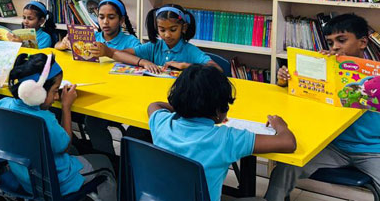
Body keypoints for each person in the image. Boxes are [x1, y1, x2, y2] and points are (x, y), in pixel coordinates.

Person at [265, 13, 380, 200]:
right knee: (284, 168)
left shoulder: (375, 74)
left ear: (363, 42)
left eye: (342, 40)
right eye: (330, 43)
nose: (335, 47)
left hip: (374, 150)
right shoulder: (325, 68)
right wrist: (285, 80)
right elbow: (300, 99)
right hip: (334, 146)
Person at [149, 64, 296, 201]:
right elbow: (288, 143)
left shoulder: (162, 124)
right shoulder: (226, 139)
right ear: (219, 111)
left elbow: (154, 105)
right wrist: (280, 126)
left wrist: (185, 107)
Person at [0, 53, 116, 200]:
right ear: (37, 92)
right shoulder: (44, 119)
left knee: (76, 150)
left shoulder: (3, 104)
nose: (57, 97)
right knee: (105, 162)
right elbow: (65, 147)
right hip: (55, 182)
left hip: (23, 177)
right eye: (54, 91)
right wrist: (66, 107)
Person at [55, 0, 140, 157]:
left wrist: (109, 52)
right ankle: (78, 151)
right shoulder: (92, 37)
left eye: (111, 17)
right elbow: (59, 48)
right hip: (92, 90)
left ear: (121, 20)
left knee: (92, 122)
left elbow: (138, 63)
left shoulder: (131, 42)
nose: (105, 22)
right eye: (101, 17)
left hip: (117, 95)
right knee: (57, 107)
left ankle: (108, 160)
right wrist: (63, 44)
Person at [90, 4, 221, 73]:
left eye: (173, 30)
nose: (167, 35)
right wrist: (143, 62)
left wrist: (185, 65)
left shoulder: (190, 50)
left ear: (184, 28)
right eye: (162, 30)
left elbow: (217, 69)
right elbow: (119, 54)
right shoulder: (154, 46)